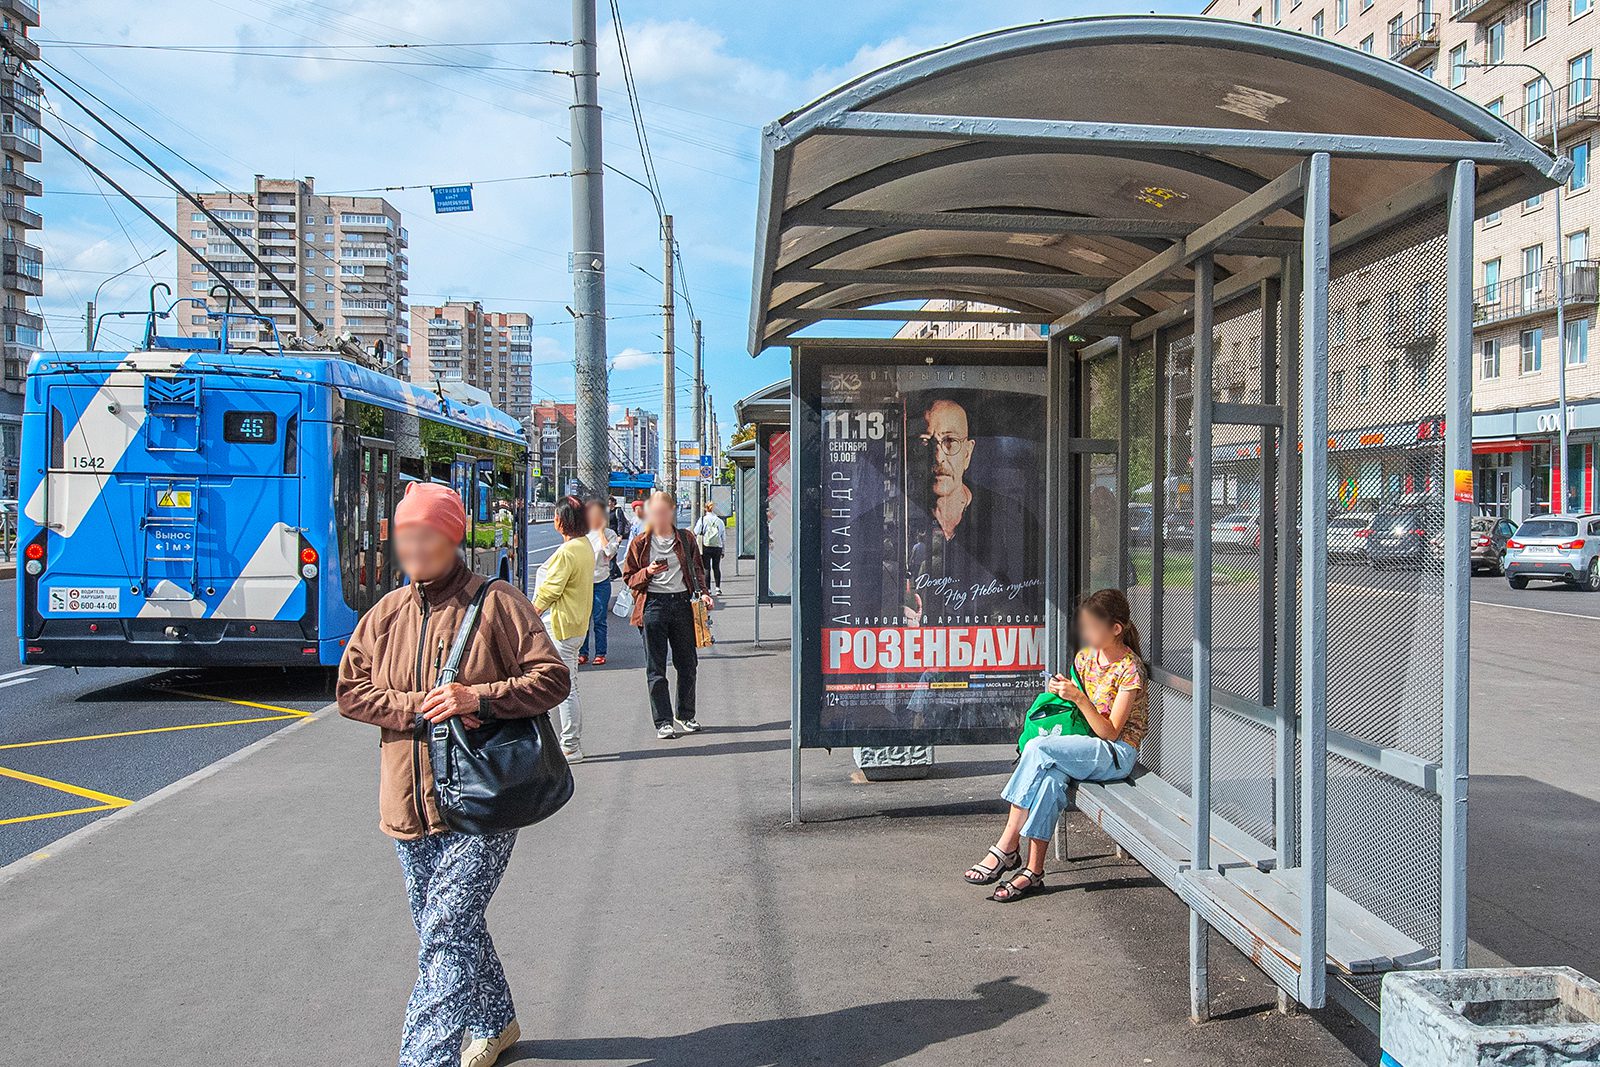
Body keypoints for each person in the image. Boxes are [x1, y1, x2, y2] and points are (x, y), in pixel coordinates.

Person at [337, 481, 571, 1067]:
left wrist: (478, 698)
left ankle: (425, 1059)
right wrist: (415, 706)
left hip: (481, 803)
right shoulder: (386, 613)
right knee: (448, 928)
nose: (412, 548)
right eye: (403, 535)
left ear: (452, 537)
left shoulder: (497, 603)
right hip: (406, 804)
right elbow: (349, 691)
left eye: (425, 535)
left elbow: (552, 679)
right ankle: (496, 1022)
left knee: (445, 930)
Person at [962, 588, 1148, 903]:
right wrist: (1062, 690)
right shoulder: (1086, 658)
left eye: (1093, 627)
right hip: (1084, 746)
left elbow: (1111, 732)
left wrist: (1078, 697)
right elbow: (1078, 710)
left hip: (1116, 754)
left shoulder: (1130, 669)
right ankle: (1033, 871)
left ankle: (1007, 844)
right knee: (1050, 780)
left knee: (1039, 747)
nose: (1086, 633)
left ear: (1116, 629)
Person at [622, 490, 713, 739]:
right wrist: (648, 572)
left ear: (672, 511)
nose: (659, 517)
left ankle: (685, 714)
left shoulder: (685, 538)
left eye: (663, 512)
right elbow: (629, 577)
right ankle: (663, 721)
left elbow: (697, 570)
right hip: (653, 605)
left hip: (682, 604)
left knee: (688, 664)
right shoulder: (640, 543)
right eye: (654, 512)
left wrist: (704, 594)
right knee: (656, 668)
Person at [533, 495, 595, 761]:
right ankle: (570, 742)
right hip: (575, 623)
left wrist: (531, 613)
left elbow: (550, 590)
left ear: (562, 520)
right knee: (570, 685)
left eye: (557, 515)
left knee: (565, 688)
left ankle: (570, 745)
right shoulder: (584, 545)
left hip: (560, 625)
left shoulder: (568, 552)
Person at [580, 498, 621, 666]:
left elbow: (610, 552)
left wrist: (601, 532)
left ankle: (600, 653)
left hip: (601, 582)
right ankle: (582, 653)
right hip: (583, 582)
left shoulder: (610, 534)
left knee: (599, 619)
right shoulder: (582, 534)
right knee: (583, 620)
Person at [693, 501, 726, 595]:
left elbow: (696, 531)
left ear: (706, 509)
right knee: (716, 567)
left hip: (706, 546)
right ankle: (718, 588)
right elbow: (723, 537)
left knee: (706, 568)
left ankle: (708, 589)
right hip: (717, 546)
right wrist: (723, 550)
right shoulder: (719, 521)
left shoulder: (702, 520)